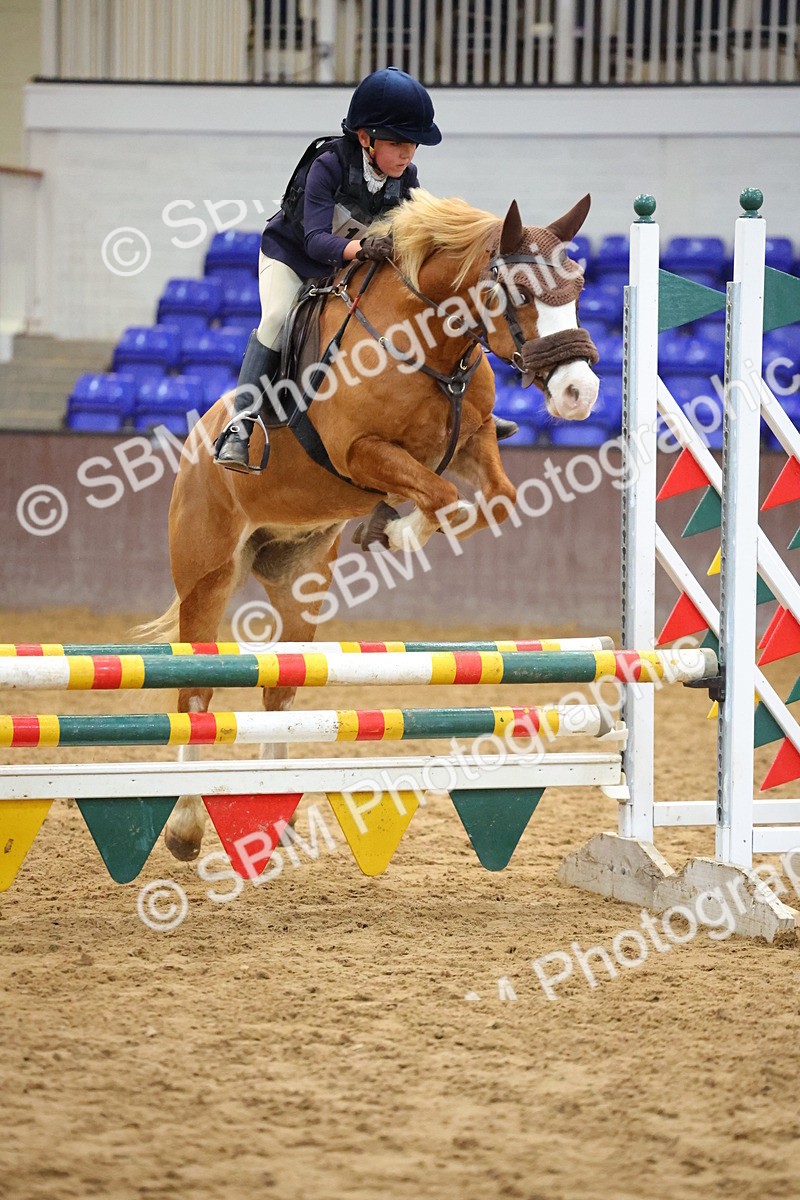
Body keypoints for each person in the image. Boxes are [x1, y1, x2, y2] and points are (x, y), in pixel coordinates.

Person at [215, 66, 517, 473]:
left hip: (349, 267)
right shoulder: (327, 165)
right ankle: (239, 425)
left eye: (412, 144)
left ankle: (472, 409)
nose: (407, 154)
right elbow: (315, 240)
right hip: (294, 258)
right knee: (275, 319)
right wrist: (360, 248)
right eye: (396, 143)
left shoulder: (406, 178)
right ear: (364, 138)